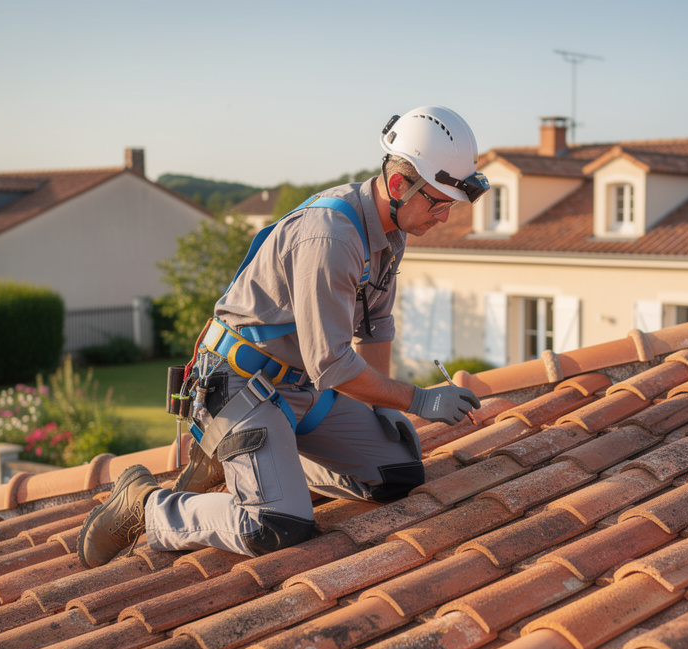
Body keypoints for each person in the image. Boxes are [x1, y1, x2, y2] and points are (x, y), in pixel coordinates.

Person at [78, 106, 489, 567]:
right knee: (278, 524)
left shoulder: (390, 234)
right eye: (437, 202)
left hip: (301, 389)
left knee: (398, 473)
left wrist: (382, 408)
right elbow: (332, 364)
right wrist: (417, 400)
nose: (444, 216)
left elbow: (376, 326)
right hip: (240, 385)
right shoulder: (332, 237)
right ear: (398, 186)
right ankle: (147, 506)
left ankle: (257, 462)